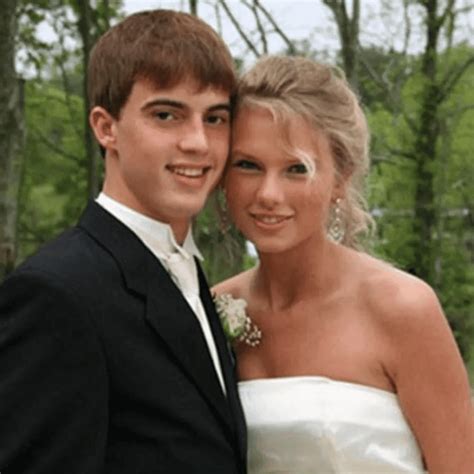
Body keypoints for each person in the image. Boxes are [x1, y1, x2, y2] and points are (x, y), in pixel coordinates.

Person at [0, 10, 246, 473]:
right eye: (167, 115)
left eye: (215, 118)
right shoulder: (56, 294)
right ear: (105, 127)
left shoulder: (189, 276)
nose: (198, 142)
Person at [214, 55, 473, 473]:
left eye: (296, 169)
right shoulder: (212, 311)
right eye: (248, 165)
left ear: (340, 178)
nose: (268, 194)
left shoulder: (403, 308)